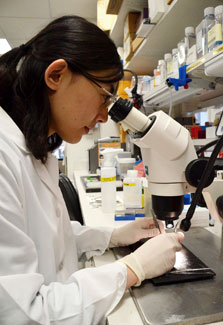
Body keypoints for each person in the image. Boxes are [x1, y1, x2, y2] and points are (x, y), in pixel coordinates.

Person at [0, 15, 184, 324]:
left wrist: (111, 235)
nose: (104, 116)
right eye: (104, 96)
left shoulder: (35, 146)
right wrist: (131, 269)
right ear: (56, 74)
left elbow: (43, 234)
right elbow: (22, 313)